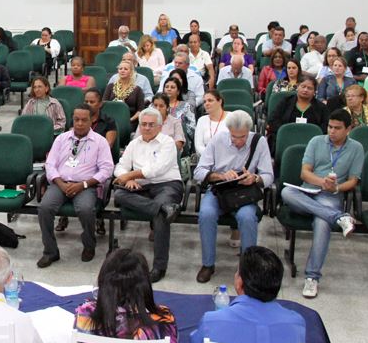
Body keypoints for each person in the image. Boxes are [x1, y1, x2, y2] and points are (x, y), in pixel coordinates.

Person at [281, 110, 362, 298]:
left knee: (322, 222)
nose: (332, 131)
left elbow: (353, 180)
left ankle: (312, 277)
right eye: (330, 127)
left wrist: (335, 188)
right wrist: (320, 182)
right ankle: (339, 217)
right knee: (286, 192)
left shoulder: (356, 148)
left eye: (337, 128)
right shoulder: (316, 141)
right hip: (307, 191)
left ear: (348, 129)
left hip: (331, 195)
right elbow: (304, 173)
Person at [193, 111, 274, 284]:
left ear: (249, 131)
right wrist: (220, 176)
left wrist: (255, 178)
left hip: (245, 192)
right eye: (234, 137)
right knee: (206, 214)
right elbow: (199, 172)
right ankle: (208, 264)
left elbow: (268, 175)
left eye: (243, 136)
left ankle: (247, 269)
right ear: (228, 131)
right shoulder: (217, 140)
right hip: (220, 190)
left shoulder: (259, 142)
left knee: (247, 217)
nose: (238, 141)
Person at [37, 106, 114, 268]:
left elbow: (107, 169)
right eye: (76, 119)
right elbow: (50, 164)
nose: (79, 124)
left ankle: (89, 245)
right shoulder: (61, 139)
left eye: (84, 120)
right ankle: (50, 251)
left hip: (86, 186)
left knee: (86, 209)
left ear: (91, 120)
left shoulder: (100, 142)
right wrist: (60, 183)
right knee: (44, 207)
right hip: (60, 183)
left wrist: (83, 184)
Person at [112, 107, 183, 282]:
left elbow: (156, 170)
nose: (147, 128)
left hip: (167, 184)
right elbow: (120, 166)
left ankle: (159, 267)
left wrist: (130, 175)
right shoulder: (134, 143)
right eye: (143, 124)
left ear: (159, 126)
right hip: (141, 187)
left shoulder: (167, 142)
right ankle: (165, 208)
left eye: (151, 125)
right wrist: (127, 179)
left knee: (160, 218)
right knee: (120, 195)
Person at [266, 75, 328, 155]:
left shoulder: (321, 107)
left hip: (312, 144)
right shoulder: (285, 102)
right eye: (303, 86)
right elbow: (273, 120)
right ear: (298, 86)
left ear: (314, 91)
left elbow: (325, 126)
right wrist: (287, 133)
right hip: (286, 141)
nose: (305, 90)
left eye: (309, 88)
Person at [103, 61, 146, 128]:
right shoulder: (110, 86)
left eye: (125, 69)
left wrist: (129, 120)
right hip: (110, 120)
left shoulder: (137, 89)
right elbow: (104, 104)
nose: (122, 71)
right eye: (120, 69)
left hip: (130, 121)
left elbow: (140, 110)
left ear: (131, 72)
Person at [162, 75, 196, 149]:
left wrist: (177, 132)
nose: (169, 89)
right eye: (167, 87)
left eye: (172, 87)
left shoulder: (186, 106)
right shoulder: (155, 105)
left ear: (178, 92)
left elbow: (192, 126)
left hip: (179, 139)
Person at [194, 89, 226, 155]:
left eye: (210, 100)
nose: (206, 104)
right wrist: (211, 155)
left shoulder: (232, 117)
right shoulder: (201, 120)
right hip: (207, 158)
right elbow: (198, 146)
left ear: (220, 101)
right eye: (205, 102)